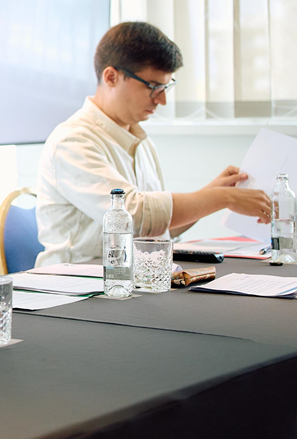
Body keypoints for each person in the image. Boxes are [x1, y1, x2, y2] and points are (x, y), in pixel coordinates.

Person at [36, 21, 272, 265]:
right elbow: (133, 217)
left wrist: (210, 195)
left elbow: (155, 230)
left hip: (132, 279)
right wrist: (221, 198)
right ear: (111, 77)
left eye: (166, 87)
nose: (162, 100)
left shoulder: (140, 142)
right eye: (153, 87)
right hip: (75, 285)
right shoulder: (72, 140)